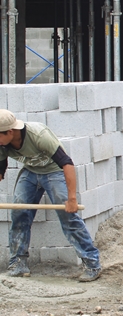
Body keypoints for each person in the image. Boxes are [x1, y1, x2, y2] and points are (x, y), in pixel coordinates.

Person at [0, 109, 102, 281]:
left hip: (54, 171)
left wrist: (71, 199)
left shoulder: (39, 135)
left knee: (68, 216)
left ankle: (92, 264)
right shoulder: (3, 144)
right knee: (19, 211)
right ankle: (18, 263)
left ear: (10, 132)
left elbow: (67, 164)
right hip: (31, 172)